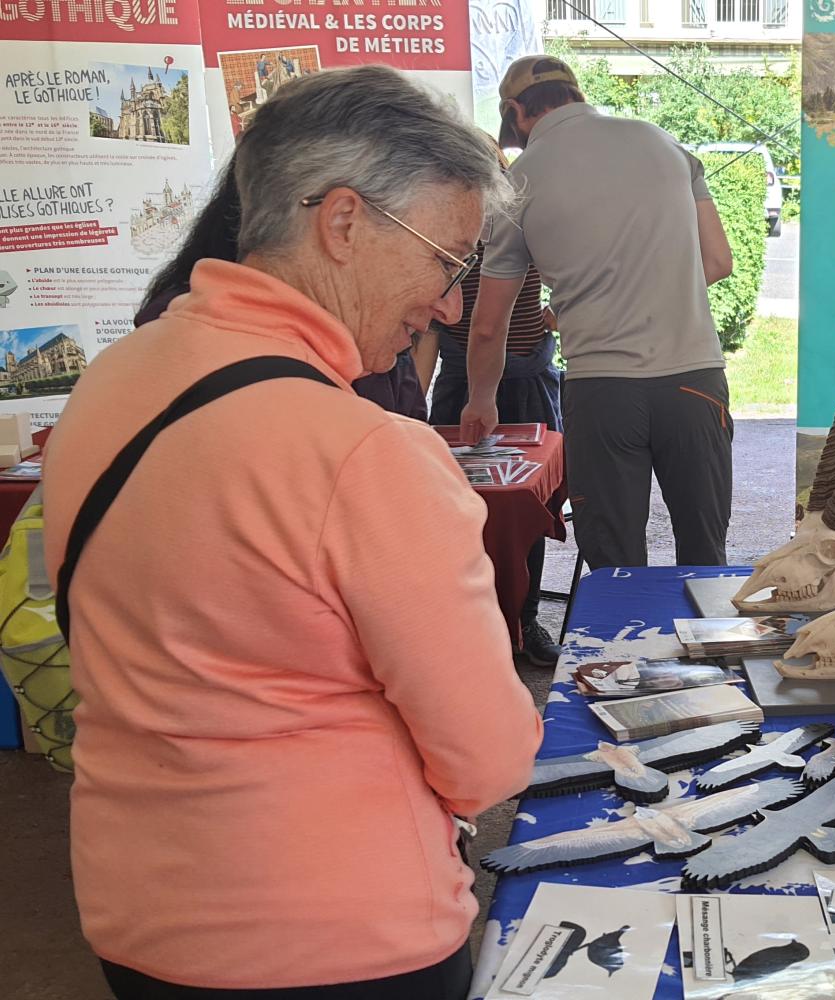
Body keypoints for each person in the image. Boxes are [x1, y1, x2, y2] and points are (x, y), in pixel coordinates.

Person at [44, 65, 543, 998]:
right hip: (341, 939)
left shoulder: (113, 381)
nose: (447, 304)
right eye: (448, 261)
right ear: (343, 221)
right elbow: (489, 757)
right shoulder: (360, 452)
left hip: (141, 917)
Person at [460, 55, 736, 570]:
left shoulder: (518, 181)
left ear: (516, 111)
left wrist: (481, 400)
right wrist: (641, 292)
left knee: (614, 566)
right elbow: (718, 261)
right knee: (705, 557)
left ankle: (622, 650)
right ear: (576, 93)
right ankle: (711, 652)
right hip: (695, 382)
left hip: (604, 390)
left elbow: (488, 322)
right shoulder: (663, 143)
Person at [134, 151, 430, 420]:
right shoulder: (202, 337)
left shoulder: (368, 329)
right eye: (441, 259)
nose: (449, 308)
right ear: (340, 225)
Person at [428, 143, 563, 668]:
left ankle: (525, 621)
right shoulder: (443, 228)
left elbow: (573, 269)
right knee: (453, 503)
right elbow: (435, 327)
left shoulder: (522, 218)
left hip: (527, 375)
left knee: (529, 503)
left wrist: (561, 310)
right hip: (461, 375)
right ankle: (464, 620)